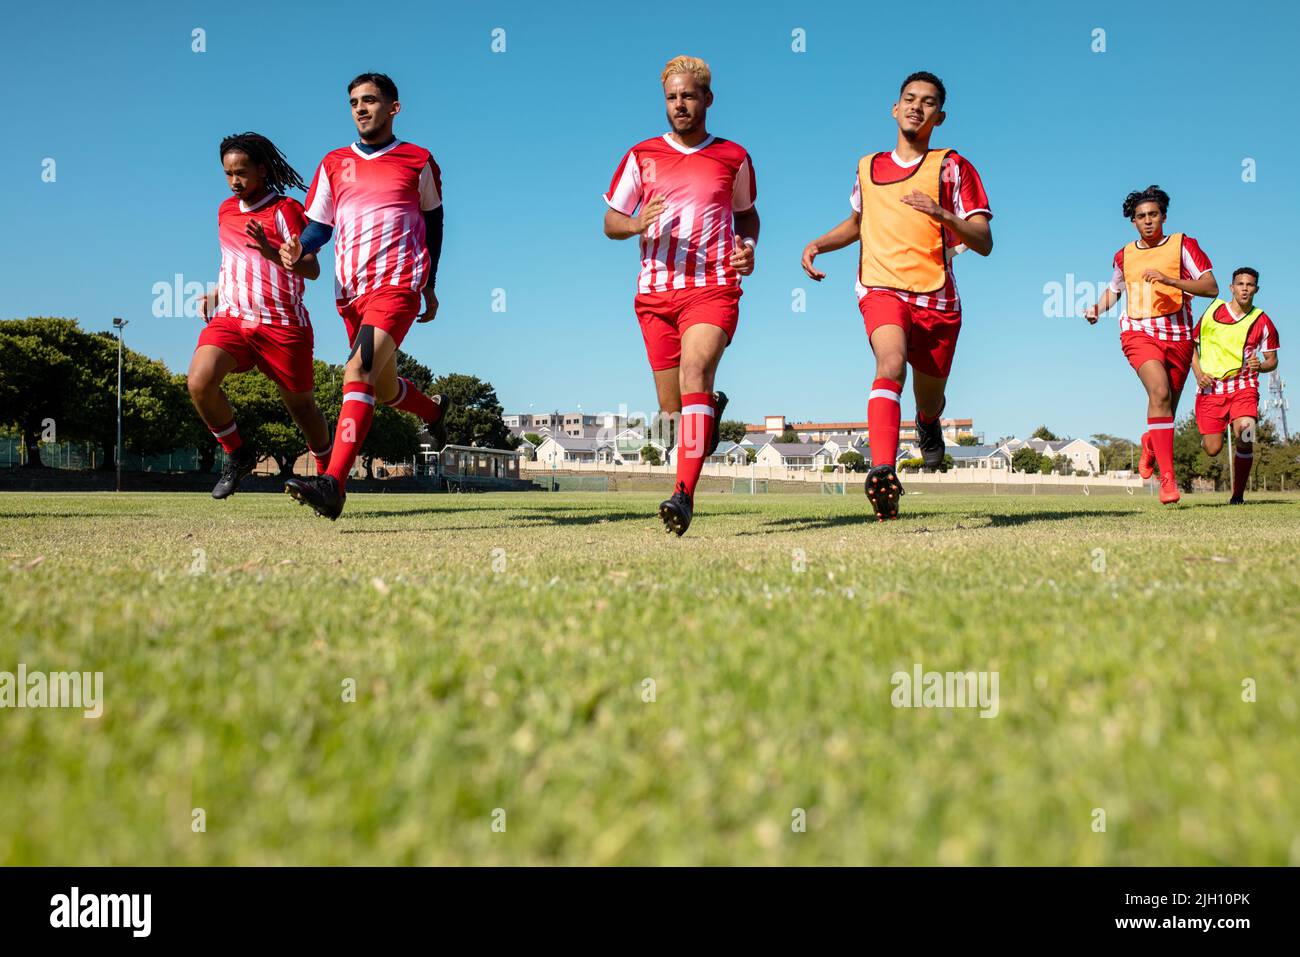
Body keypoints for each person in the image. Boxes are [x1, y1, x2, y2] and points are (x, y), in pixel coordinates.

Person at [801, 71, 992, 521]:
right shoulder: (867, 167)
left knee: (929, 399)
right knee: (889, 365)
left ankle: (928, 424)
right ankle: (883, 472)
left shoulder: (952, 166)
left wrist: (943, 213)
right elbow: (856, 223)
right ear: (894, 107)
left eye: (927, 103)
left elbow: (983, 239)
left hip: (937, 298)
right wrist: (817, 244)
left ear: (939, 116)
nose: (916, 107)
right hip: (880, 286)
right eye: (909, 99)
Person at [602, 55, 759, 536]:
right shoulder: (641, 155)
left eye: (688, 95)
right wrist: (636, 223)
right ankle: (705, 417)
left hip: (712, 288)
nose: (679, 105)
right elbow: (611, 222)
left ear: (707, 98)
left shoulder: (733, 156)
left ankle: (683, 496)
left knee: (696, 370)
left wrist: (748, 246)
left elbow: (748, 215)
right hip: (654, 295)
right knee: (673, 417)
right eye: (671, 97)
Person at [282, 73, 449, 520]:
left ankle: (334, 483)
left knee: (358, 368)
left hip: (398, 285)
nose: (361, 108)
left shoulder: (418, 160)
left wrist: (429, 283)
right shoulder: (334, 163)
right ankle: (433, 411)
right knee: (384, 383)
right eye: (354, 101)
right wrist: (302, 246)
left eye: (370, 100)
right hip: (350, 293)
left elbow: (433, 225)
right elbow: (320, 226)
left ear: (394, 107)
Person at [188, 132, 331, 499]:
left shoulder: (285, 210)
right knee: (200, 382)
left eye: (242, 172)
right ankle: (238, 455)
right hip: (233, 319)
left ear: (262, 170)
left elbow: (312, 269)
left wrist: (274, 254)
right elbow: (233, 261)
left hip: (282, 324)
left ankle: (329, 477)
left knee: (302, 408)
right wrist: (217, 292)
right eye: (228, 174)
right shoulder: (224, 211)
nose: (235, 181)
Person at [1084, 185, 1217, 504]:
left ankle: (1149, 443)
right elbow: (1115, 289)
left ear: (1164, 217)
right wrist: (1096, 309)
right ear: (1133, 222)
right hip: (1138, 333)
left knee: (1166, 408)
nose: (1147, 221)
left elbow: (1210, 287)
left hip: (1180, 338)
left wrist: (1172, 281)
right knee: (1158, 393)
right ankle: (1167, 481)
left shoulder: (1184, 245)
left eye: (1153, 215)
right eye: (1141, 216)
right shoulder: (1124, 254)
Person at [1190, 267, 1279, 503]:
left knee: (1246, 433)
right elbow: (1191, 345)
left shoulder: (1262, 320)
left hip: (1244, 388)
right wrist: (1198, 374)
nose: (1245, 289)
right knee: (1212, 448)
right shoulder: (1213, 311)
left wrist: (1261, 365)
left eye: (1250, 285)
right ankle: (1208, 438)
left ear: (1256, 289)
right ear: (1232, 287)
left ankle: (1238, 495)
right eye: (1240, 284)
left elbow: (1272, 360)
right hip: (1211, 390)